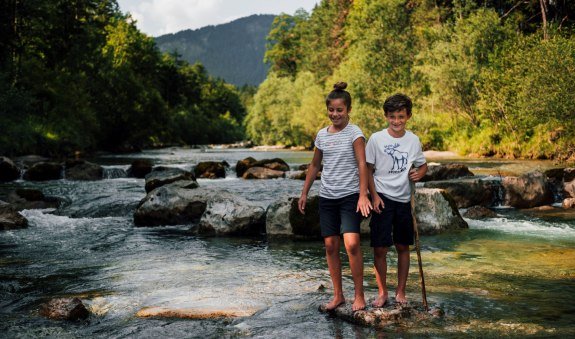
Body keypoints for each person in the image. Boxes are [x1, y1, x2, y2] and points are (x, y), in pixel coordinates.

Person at [298, 82, 372, 312]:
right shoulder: (322, 135)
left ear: (348, 110)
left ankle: (359, 295)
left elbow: (362, 163)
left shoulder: (355, 133)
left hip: (350, 196)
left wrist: (363, 194)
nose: (335, 114)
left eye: (340, 110)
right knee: (330, 246)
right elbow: (314, 165)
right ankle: (338, 295)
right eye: (331, 110)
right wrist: (304, 192)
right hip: (327, 197)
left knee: (352, 244)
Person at [365, 93, 428, 307]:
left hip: (403, 199)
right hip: (381, 198)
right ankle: (382, 292)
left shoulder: (413, 140)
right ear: (386, 116)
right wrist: (373, 196)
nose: (396, 121)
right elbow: (368, 169)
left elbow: (422, 165)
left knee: (403, 246)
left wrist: (420, 173)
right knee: (380, 248)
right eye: (392, 117)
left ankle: (400, 291)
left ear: (408, 116)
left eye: (401, 116)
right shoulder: (376, 139)